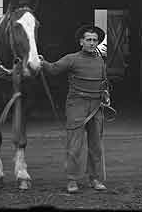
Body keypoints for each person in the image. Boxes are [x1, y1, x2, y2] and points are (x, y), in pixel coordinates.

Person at [40, 24, 111, 194]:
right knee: (74, 145)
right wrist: (42, 62)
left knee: (95, 146)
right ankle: (72, 179)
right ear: (81, 42)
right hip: (77, 105)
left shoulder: (101, 60)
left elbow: (104, 82)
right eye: (88, 40)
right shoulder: (71, 58)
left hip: (96, 107)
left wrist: (106, 94)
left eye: (95, 40)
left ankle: (94, 178)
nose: (92, 43)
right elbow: (53, 69)